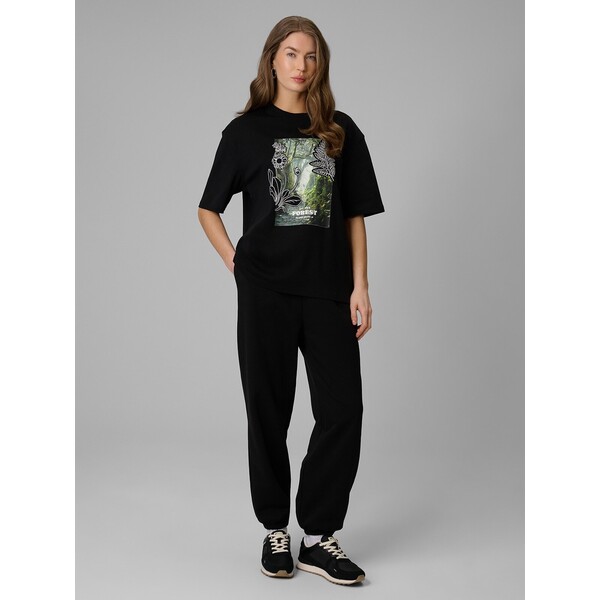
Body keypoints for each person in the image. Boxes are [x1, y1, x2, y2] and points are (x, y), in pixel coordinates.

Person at [197, 15, 384, 586]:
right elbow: (208, 207)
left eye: (311, 56)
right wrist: (236, 263)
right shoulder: (245, 133)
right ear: (272, 60)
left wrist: (361, 286)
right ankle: (275, 529)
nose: (301, 66)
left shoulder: (340, 131)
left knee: (342, 411)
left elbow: (354, 216)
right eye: (291, 54)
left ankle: (318, 536)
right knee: (267, 410)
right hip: (266, 294)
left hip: (328, 293)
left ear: (320, 64)